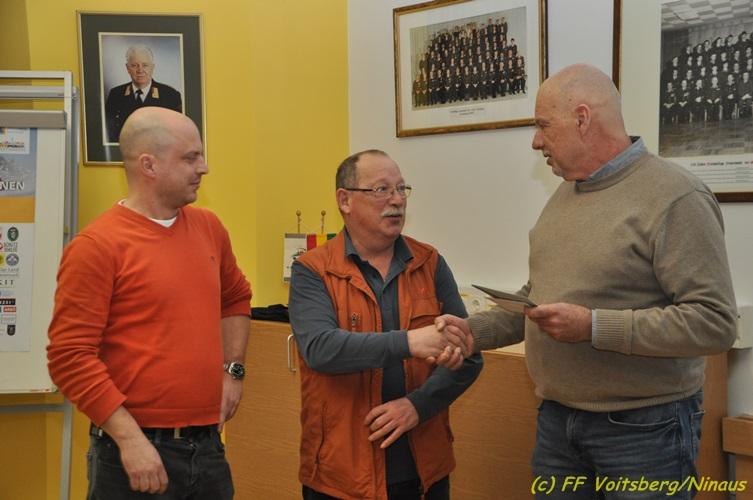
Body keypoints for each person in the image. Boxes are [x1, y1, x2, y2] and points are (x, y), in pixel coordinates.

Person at [437, 64, 737, 499]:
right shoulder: (565, 193)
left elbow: (714, 323)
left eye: (543, 125)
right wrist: (472, 333)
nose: (535, 141)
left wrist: (594, 326)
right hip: (558, 422)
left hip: (644, 430)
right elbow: (539, 302)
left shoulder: (677, 197)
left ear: (582, 119)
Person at [47, 107, 252, 499]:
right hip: (133, 452)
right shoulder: (96, 246)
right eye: (191, 157)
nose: (204, 167)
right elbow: (69, 357)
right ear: (149, 165)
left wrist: (234, 371)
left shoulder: (209, 228)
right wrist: (130, 440)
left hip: (208, 447)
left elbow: (236, 299)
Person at [288, 149, 482, 500]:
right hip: (341, 477)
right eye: (381, 190)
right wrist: (410, 342)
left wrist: (417, 406)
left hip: (424, 471)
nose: (396, 200)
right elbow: (321, 349)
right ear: (344, 200)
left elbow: (468, 354)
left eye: (401, 189)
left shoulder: (429, 263)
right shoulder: (313, 269)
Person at [105, 44, 183, 143]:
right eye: (134, 66)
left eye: (145, 65)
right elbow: (110, 133)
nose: (140, 70)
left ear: (152, 67)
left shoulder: (170, 95)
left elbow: (176, 135)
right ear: (127, 68)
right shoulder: (116, 95)